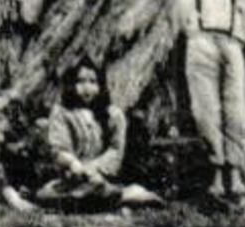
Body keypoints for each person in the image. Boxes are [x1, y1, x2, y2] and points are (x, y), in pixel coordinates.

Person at [171, 0, 245, 199]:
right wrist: (199, 41)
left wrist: (236, 42)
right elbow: (177, 26)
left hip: (231, 46)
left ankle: (235, 172)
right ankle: (216, 173)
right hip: (200, 46)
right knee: (206, 109)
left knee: (236, 109)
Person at [35, 57, 161, 211]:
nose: (87, 88)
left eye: (92, 82)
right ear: (72, 84)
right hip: (72, 178)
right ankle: (125, 196)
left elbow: (115, 151)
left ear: (101, 85)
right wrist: (73, 164)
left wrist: (91, 169)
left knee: (93, 189)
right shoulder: (61, 112)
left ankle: (108, 196)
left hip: (101, 177)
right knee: (44, 195)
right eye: (80, 81)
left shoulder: (113, 114)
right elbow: (58, 148)